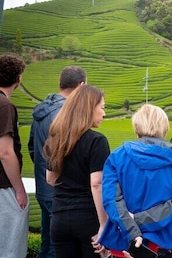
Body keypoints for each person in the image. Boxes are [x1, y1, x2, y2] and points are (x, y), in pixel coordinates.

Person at [98, 104, 172, 258]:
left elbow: (111, 199)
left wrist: (133, 225)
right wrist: (140, 220)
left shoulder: (117, 157)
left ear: (136, 126)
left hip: (128, 243)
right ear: (164, 127)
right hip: (169, 242)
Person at [43, 84, 110, 258]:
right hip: (88, 218)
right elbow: (97, 184)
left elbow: (50, 179)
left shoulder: (58, 137)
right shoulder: (97, 141)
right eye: (101, 108)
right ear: (89, 108)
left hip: (59, 218)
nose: (104, 113)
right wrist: (104, 225)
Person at [28, 65, 87, 258]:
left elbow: (32, 148)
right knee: (58, 249)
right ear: (81, 86)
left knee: (48, 244)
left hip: (43, 187)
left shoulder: (42, 111)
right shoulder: (65, 114)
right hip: (60, 192)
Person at [0, 54, 29, 258]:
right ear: (18, 78)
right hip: (3, 186)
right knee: (10, 247)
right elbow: (5, 152)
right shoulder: (4, 106)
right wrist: (19, 190)